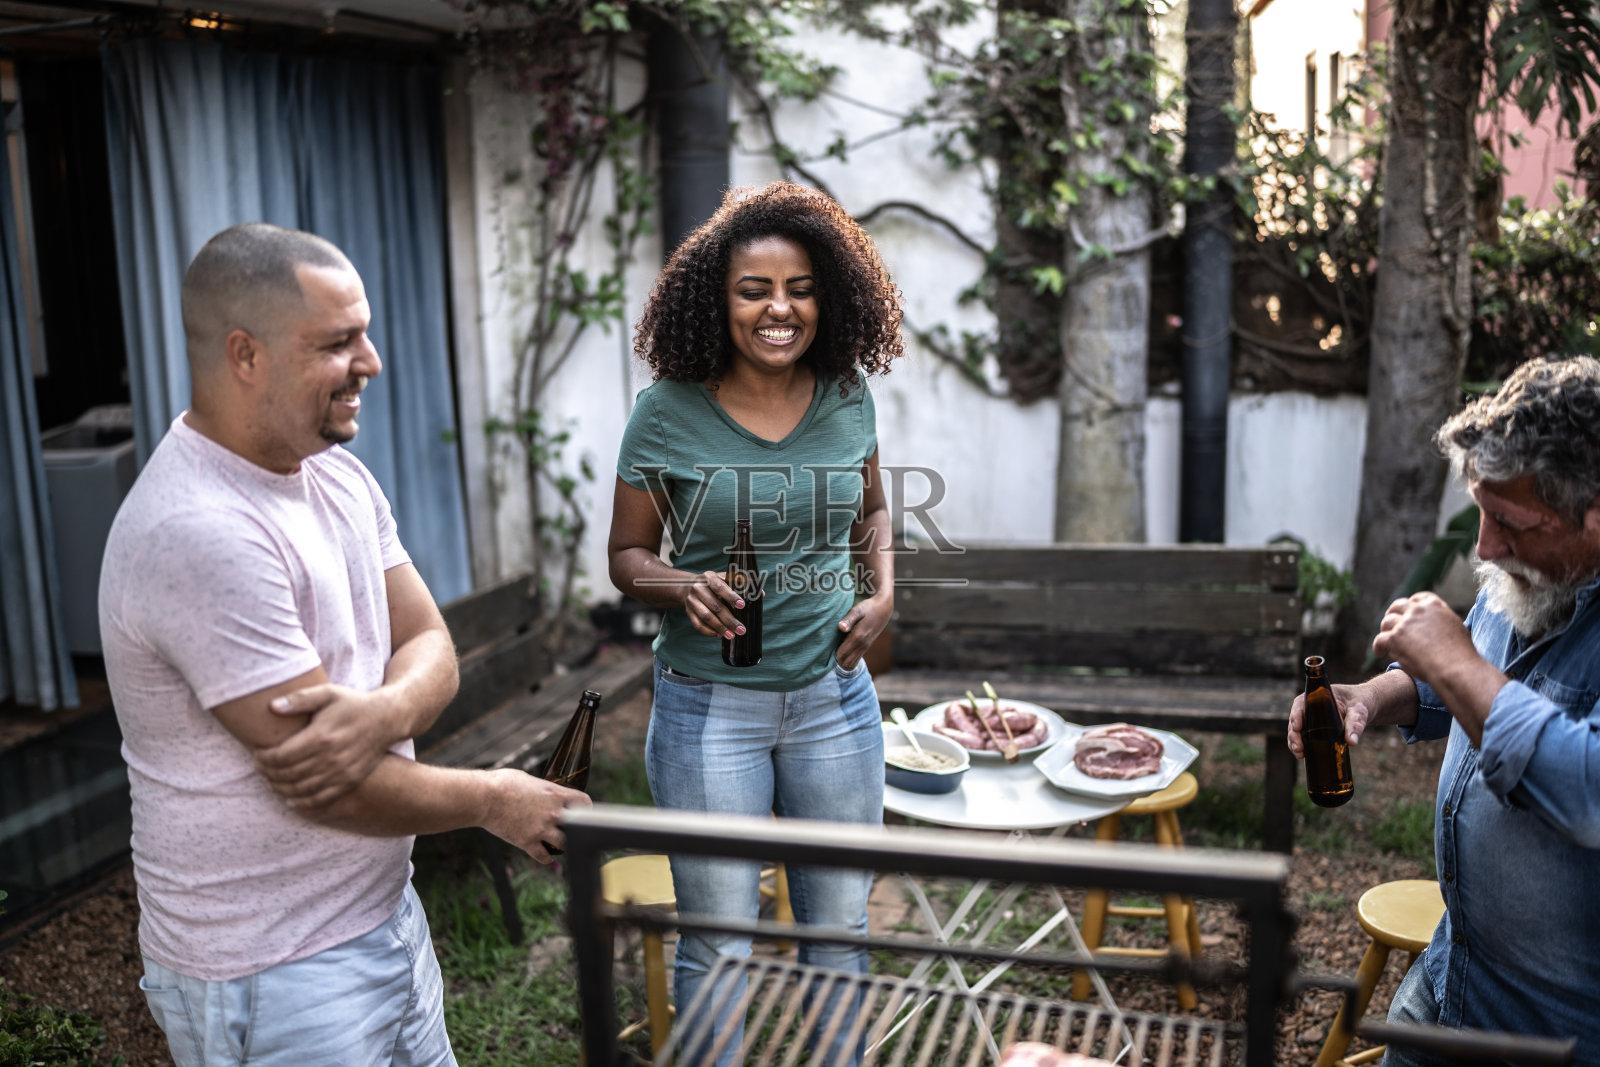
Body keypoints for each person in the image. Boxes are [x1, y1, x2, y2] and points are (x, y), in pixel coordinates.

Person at [99, 223, 588, 1067]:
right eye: (338, 341)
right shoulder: (201, 530)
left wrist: (384, 708)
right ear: (244, 354)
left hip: (383, 916)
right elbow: (327, 788)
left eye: (364, 331)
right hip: (273, 969)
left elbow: (428, 636)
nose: (373, 361)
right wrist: (493, 799)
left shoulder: (334, 472)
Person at [607, 180, 902, 1062]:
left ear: (829, 295)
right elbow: (627, 556)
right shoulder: (666, 410)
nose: (780, 308)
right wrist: (677, 585)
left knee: (840, 931)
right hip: (709, 709)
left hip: (834, 703)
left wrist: (883, 591)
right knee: (718, 943)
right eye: (754, 290)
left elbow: (875, 513)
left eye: (801, 287)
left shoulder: (847, 393)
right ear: (717, 300)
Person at [1287, 356, 1600, 1064]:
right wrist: (1375, 695)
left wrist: (1454, 659)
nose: (1485, 547)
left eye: (1510, 522)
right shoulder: (1527, 571)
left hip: (1561, 1034)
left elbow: (1588, 791)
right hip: (1453, 979)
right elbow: (1468, 686)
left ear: (1593, 511)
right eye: (1480, 513)